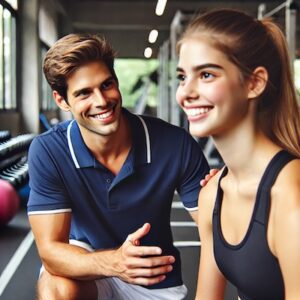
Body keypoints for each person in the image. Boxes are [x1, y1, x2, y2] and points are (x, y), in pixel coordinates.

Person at [27, 33, 210, 300]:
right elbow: (51, 251)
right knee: (57, 289)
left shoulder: (175, 143)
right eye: (84, 93)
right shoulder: (49, 150)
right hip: (88, 267)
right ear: (62, 100)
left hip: (153, 275)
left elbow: (216, 233)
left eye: (107, 85)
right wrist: (115, 263)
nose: (101, 101)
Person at [176, 8, 300, 300]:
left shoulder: (290, 195)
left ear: (254, 83)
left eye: (206, 74)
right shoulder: (212, 194)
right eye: (182, 76)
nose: (186, 92)